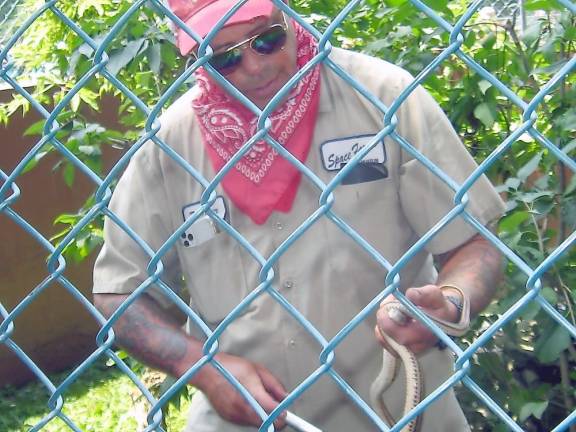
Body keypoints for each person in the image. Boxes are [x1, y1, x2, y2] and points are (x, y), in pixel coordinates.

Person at [92, 0, 505, 430]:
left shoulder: (382, 97)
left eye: (267, 39)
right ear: (195, 60)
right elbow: (117, 294)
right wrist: (201, 366)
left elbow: (474, 242)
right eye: (225, 57)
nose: (254, 66)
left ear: (288, 18)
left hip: (402, 411)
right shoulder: (168, 149)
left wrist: (452, 303)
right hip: (247, 420)